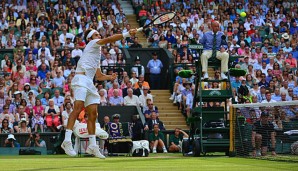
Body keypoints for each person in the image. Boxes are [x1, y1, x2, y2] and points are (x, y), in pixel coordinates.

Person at [61, 28, 137, 158]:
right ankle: (67, 140)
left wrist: (109, 77)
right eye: (96, 34)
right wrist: (127, 34)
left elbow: (99, 75)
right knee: (78, 108)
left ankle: (92, 146)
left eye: (98, 34)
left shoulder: (96, 55)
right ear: (91, 38)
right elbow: (109, 39)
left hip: (89, 83)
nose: (99, 35)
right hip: (81, 79)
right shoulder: (92, 43)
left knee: (93, 114)